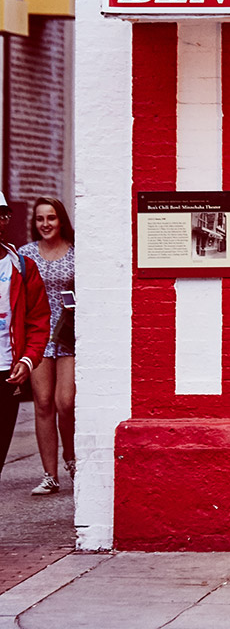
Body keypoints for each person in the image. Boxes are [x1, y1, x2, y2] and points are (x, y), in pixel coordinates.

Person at [19, 197, 76, 494]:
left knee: (65, 403)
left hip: (68, 336)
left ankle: (71, 458)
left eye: (51, 218)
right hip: (37, 336)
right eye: (40, 219)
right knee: (42, 404)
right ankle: (50, 475)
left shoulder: (76, 254)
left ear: (61, 220)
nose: (45, 224)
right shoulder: (25, 255)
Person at [0, 193, 53, 491]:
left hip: (7, 372)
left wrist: (27, 359)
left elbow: (37, 320)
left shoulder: (21, 266)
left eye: (1, 215)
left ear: (6, 221)